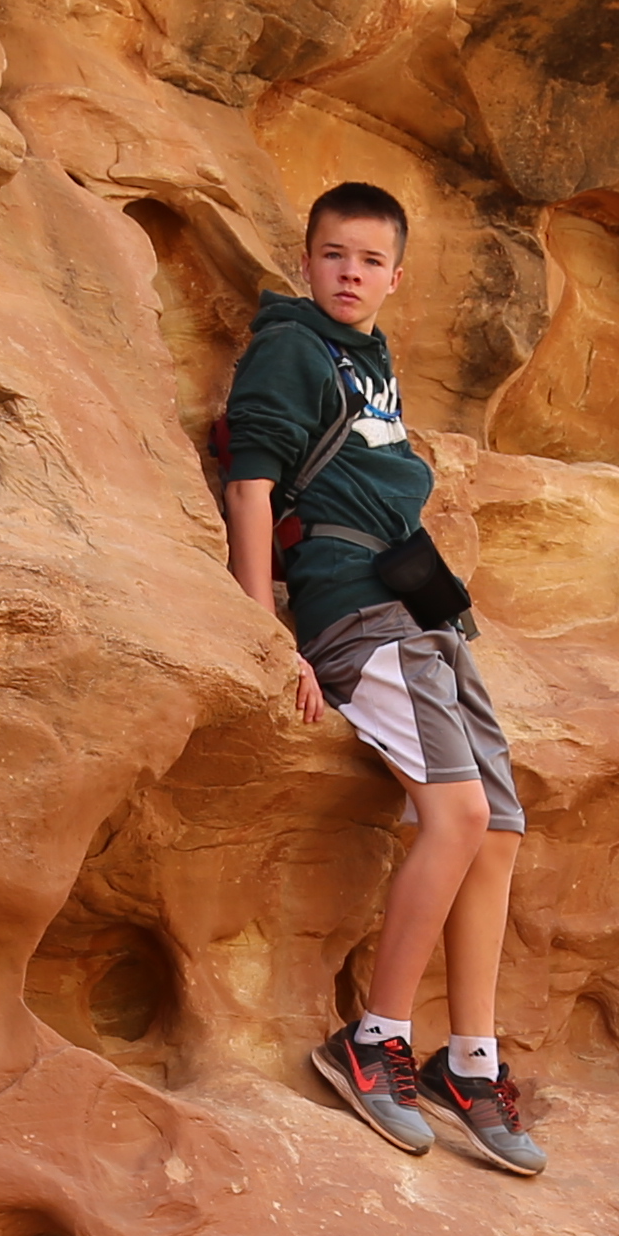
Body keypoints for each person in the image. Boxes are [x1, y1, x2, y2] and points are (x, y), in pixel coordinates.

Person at [218, 182, 547, 1179]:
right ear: (308, 262)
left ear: (395, 278)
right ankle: (374, 1041)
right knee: (451, 816)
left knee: (499, 829)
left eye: (368, 261)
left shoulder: (374, 362)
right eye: (333, 256)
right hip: (352, 607)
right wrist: (263, 635)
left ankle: (470, 1061)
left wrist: (448, 620)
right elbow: (251, 478)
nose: (350, 273)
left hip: (419, 610)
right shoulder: (293, 346)